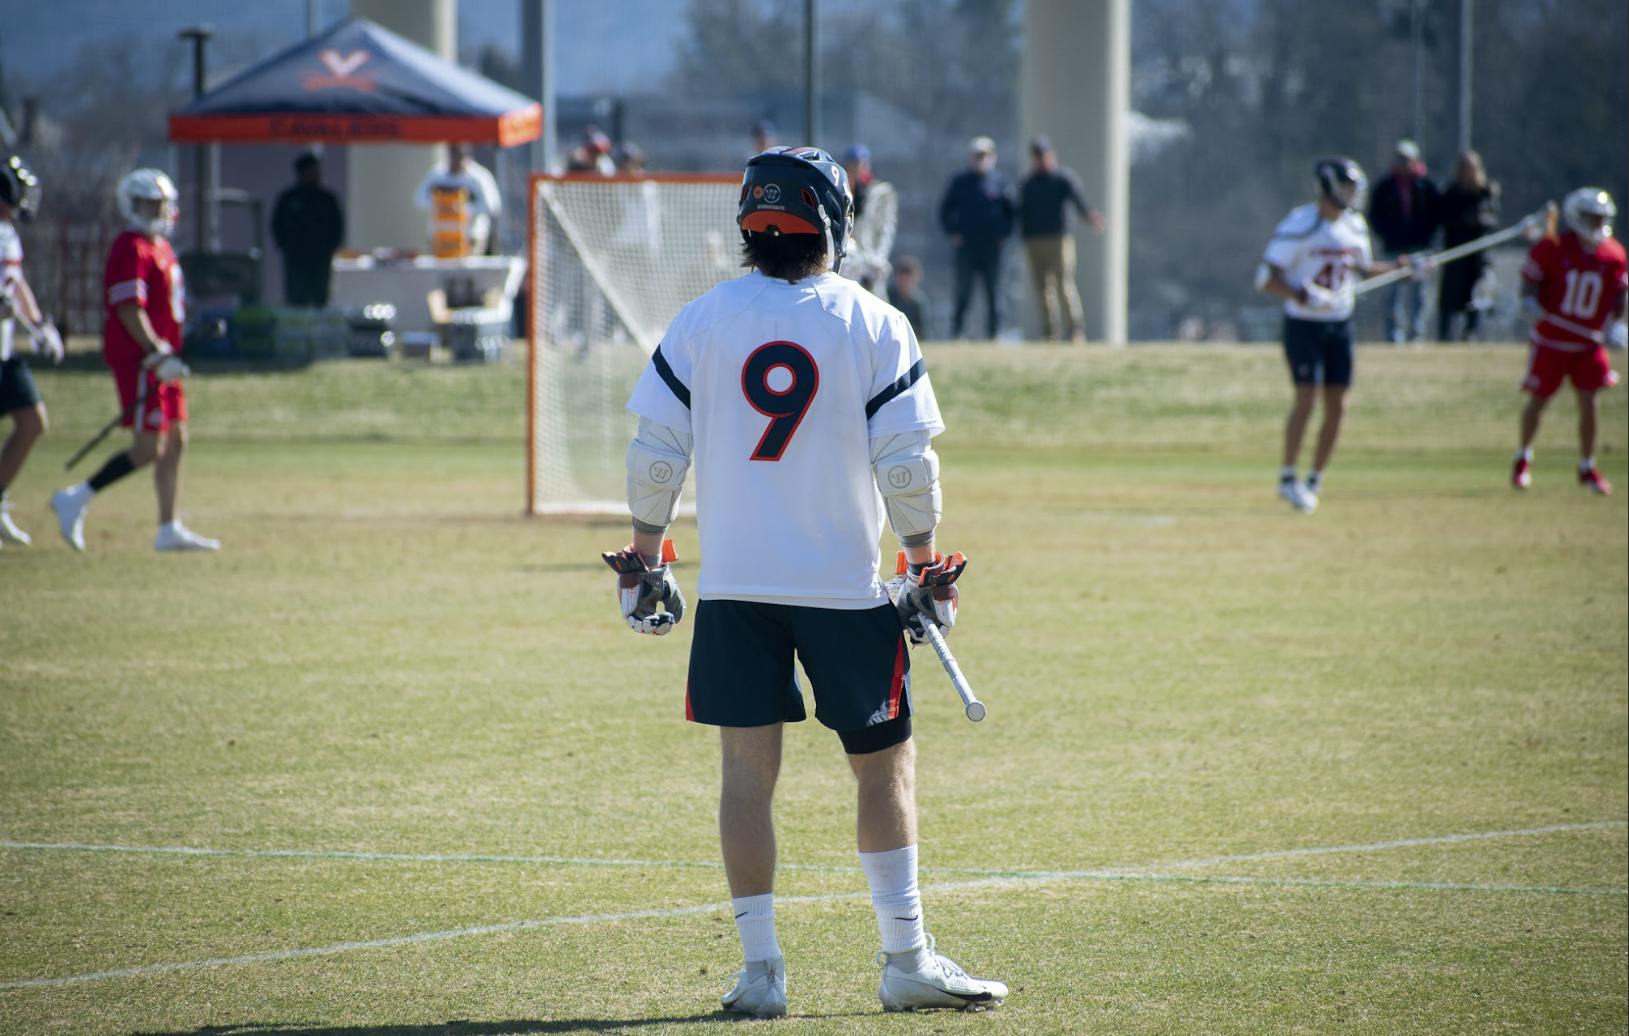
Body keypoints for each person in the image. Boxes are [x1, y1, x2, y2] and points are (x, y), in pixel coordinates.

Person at [603, 145, 1007, 1017]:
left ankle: (759, 973)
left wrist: (645, 560)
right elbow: (906, 467)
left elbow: (653, 454)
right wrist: (925, 565)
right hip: (844, 588)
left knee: (746, 776)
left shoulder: (702, 318)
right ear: (835, 220)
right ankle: (904, 959)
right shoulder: (873, 321)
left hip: (736, 590)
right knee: (884, 769)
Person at [50, 169, 220, 552]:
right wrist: (155, 351)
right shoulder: (131, 246)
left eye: (160, 203)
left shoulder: (161, 245)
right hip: (143, 358)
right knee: (148, 447)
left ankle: (168, 527)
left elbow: (167, 303)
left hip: (164, 356)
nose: (156, 210)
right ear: (133, 204)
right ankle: (76, 498)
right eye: (149, 203)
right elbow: (129, 308)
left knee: (176, 439)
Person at [1259, 157, 1425, 514]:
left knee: (1337, 405)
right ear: (1328, 187)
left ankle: (1314, 479)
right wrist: (1301, 294)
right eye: (1346, 187)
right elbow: (1266, 278)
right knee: (1306, 398)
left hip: (1340, 324)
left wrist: (1402, 269)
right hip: (1304, 324)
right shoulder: (1301, 224)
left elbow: (1363, 270)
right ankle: (1288, 476)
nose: (1352, 195)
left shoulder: (1353, 226)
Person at [1511, 187, 1626, 496]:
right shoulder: (1554, 247)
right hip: (1551, 341)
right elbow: (1528, 287)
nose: (1597, 223)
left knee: (1590, 403)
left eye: (1602, 218)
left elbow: (1619, 298)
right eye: (1592, 217)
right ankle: (1523, 458)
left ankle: (1587, 465)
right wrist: (1530, 305)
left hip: (1588, 344)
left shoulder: (1613, 254)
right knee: (1539, 400)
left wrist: (1616, 325)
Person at [0, 154, 63, 549]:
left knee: (33, 421)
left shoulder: (8, 233)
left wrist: (38, 324)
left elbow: (15, 284)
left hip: (3, 352)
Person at [1019, 135, 1104, 342]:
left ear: (1051, 155)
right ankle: (1050, 332)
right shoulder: (1028, 183)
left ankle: (1075, 330)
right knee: (1042, 289)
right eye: (1037, 156)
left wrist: (1090, 216)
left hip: (1059, 239)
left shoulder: (1063, 178)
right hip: (1034, 240)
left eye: (1043, 154)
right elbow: (1020, 212)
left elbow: (1078, 201)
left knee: (1064, 285)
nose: (1040, 159)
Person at [938, 136, 1014, 339]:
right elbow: (945, 210)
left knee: (994, 291)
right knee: (963, 290)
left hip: (991, 247)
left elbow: (1011, 212)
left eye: (985, 155)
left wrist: (1004, 234)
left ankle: (994, 334)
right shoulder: (960, 182)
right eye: (978, 155)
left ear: (992, 157)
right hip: (967, 246)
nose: (981, 159)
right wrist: (952, 233)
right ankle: (958, 333)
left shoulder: (999, 181)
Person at [1366, 139, 1439, 344]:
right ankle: (1393, 336)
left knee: (1420, 294)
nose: (1402, 163)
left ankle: (1417, 334)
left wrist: (1427, 238)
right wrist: (1387, 235)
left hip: (1420, 247)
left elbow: (1436, 215)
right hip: (1394, 249)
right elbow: (1374, 216)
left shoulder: (1426, 185)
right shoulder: (1385, 186)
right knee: (1392, 295)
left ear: (1415, 160)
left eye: (1406, 159)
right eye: (1399, 159)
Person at [1434, 150, 1500, 341]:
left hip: (1478, 255)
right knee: (1450, 297)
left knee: (1476, 297)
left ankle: (1470, 334)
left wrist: (1476, 220)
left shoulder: (1486, 192)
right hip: (1455, 253)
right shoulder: (1451, 193)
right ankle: (1445, 336)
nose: (1468, 172)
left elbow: (1491, 219)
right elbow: (1443, 218)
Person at [270, 152, 344, 307]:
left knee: (320, 297)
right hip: (296, 257)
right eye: (311, 171)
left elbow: (337, 225)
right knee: (297, 298)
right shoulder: (289, 199)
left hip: (320, 257)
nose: (314, 175)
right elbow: (277, 225)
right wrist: (285, 245)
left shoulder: (326, 199)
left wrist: (331, 247)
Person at [414, 143, 502, 256]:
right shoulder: (437, 174)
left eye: (459, 157)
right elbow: (419, 199)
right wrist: (443, 204)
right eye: (453, 157)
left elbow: (492, 206)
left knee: (465, 273)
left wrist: (463, 208)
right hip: (440, 238)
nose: (455, 162)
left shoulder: (478, 176)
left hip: (470, 238)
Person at [839, 144, 898, 296]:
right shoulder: (842, 192)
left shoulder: (879, 193)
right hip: (847, 261)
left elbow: (886, 229)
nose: (856, 170)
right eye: (852, 165)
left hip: (870, 259)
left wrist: (879, 258)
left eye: (859, 165)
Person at [888, 256, 927, 340]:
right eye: (901, 278)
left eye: (908, 278)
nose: (904, 282)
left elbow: (921, 331)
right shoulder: (888, 297)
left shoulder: (917, 302)